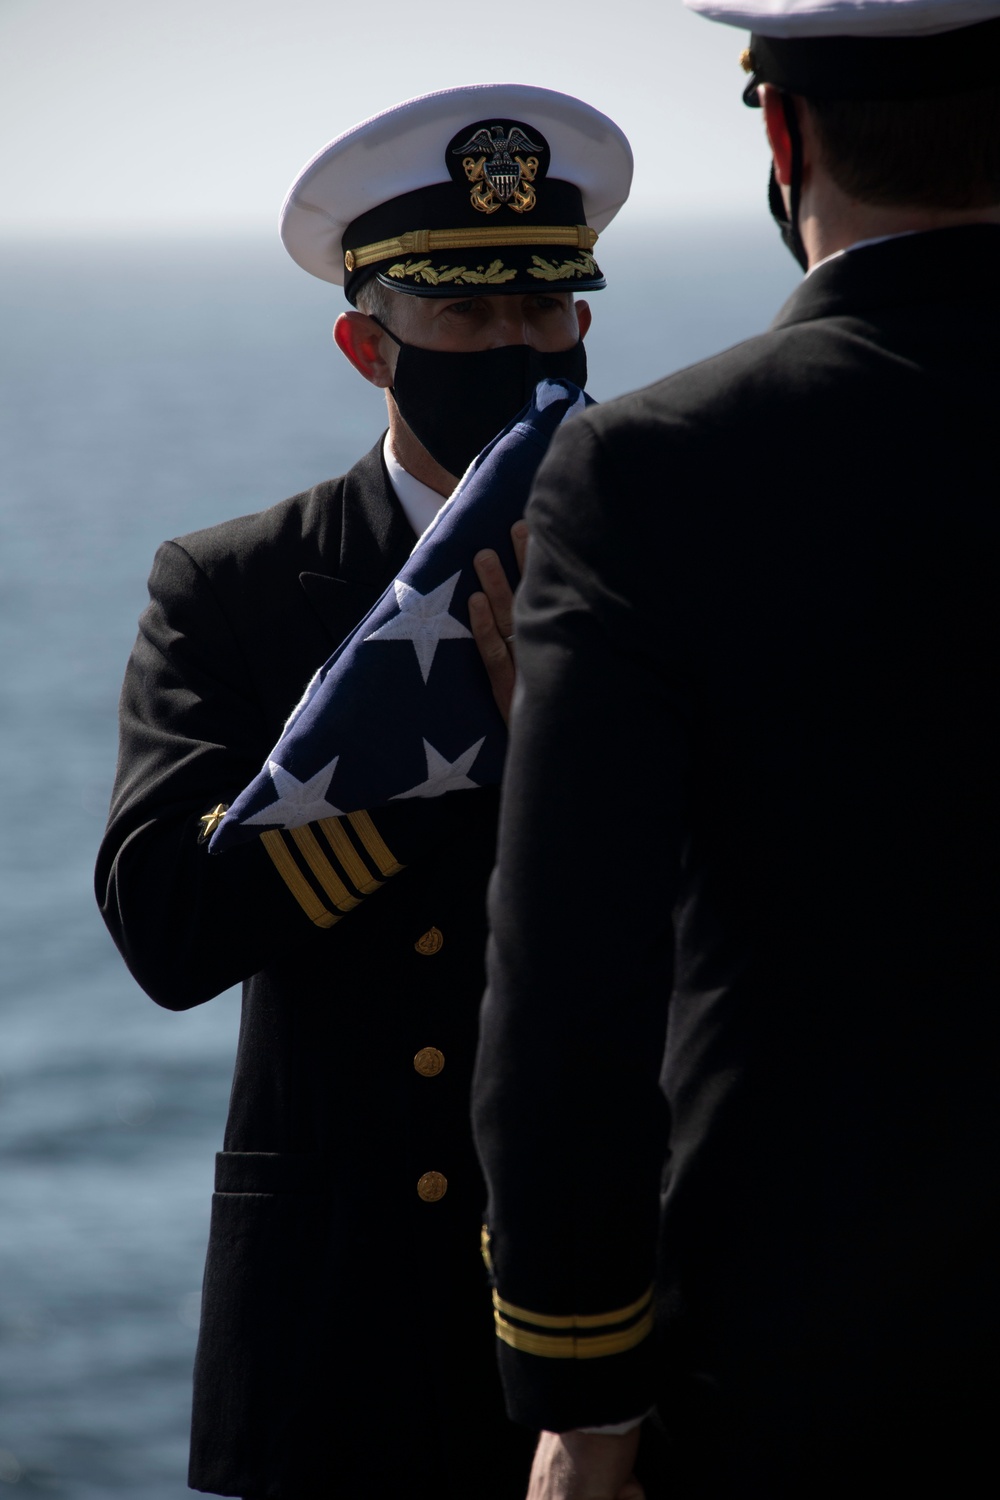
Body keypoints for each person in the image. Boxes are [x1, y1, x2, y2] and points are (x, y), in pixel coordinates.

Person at [471, 6, 1000, 1497]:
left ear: (786, 136)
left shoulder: (654, 470)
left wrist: (584, 1390)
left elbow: (577, 967)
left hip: (813, 1365)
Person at [95, 83, 631, 1500]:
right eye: (467, 317)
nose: (519, 348)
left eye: (549, 310)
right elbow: (169, 924)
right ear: (366, 346)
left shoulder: (671, 550)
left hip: (626, 1305)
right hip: (344, 1323)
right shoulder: (237, 587)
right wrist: (451, 744)